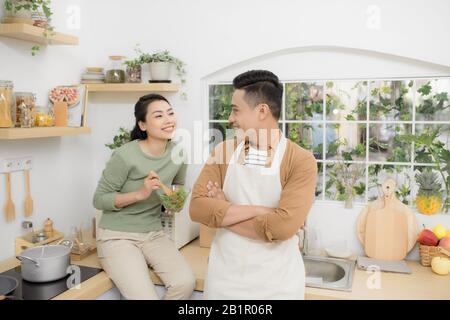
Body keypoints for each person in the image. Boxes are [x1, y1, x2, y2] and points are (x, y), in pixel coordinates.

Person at [189, 70, 317, 299]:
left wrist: (223, 211)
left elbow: (282, 227)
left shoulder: (300, 160)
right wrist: (264, 212)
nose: (230, 118)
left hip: (276, 286)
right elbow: (197, 208)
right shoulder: (223, 152)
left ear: (262, 111)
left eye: (236, 110)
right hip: (224, 282)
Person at [93, 94, 195, 300]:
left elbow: (178, 186)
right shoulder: (124, 155)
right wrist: (141, 194)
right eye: (158, 116)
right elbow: (100, 199)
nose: (168, 120)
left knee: (185, 283)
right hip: (117, 236)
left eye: (170, 113)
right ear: (143, 124)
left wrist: (174, 201)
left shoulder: (179, 153)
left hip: (153, 233)